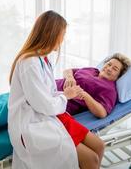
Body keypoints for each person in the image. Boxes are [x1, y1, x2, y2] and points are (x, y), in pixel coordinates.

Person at [8, 10, 104, 169]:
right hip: (33, 122)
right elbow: (43, 105)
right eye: (63, 34)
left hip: (51, 114)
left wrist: (67, 95)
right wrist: (66, 96)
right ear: (51, 34)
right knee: (91, 159)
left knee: (99, 146)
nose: (63, 39)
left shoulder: (43, 59)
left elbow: (47, 94)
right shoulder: (29, 63)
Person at [56, 53, 131, 118]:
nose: (109, 68)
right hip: (52, 86)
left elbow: (102, 113)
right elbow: (68, 71)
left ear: (118, 76)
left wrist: (84, 95)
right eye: (109, 64)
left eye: (115, 69)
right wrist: (69, 77)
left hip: (60, 101)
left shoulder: (110, 89)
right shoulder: (93, 70)